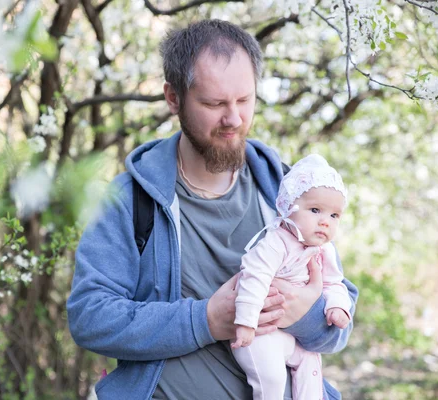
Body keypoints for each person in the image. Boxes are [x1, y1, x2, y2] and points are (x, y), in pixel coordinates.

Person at [67, 19, 358, 400]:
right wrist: (204, 320)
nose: (233, 119)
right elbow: (90, 317)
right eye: (214, 103)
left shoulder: (290, 193)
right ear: (173, 98)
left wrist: (302, 312)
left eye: (244, 100)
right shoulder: (129, 199)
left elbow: (339, 323)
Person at [230, 154, 353, 400]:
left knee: (311, 365)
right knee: (272, 380)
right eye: (315, 210)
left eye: (334, 216)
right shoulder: (276, 242)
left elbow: (333, 283)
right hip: (260, 334)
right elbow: (254, 278)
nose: (325, 222)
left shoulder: (323, 249)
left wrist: (337, 307)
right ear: (288, 208)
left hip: (291, 338)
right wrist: (245, 322)